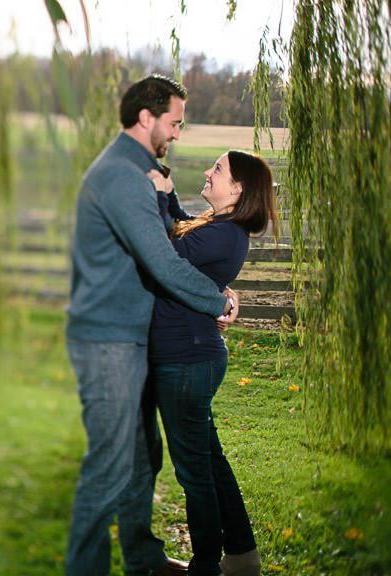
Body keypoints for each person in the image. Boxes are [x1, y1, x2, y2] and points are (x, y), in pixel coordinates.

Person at [65, 74, 239, 576]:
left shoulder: (144, 172)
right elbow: (163, 261)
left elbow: (173, 232)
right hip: (107, 341)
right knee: (110, 466)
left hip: (131, 337)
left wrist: (218, 291)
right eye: (175, 122)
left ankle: (142, 559)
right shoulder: (122, 176)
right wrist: (216, 301)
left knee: (142, 455)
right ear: (147, 118)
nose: (179, 134)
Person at [147, 150, 278, 576]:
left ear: (237, 189)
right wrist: (167, 194)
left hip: (186, 361)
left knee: (195, 472)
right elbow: (183, 227)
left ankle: (206, 566)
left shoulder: (226, 234)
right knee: (210, 462)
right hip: (193, 356)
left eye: (218, 169)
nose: (208, 171)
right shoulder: (221, 227)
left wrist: (156, 197)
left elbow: (164, 253)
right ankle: (242, 556)